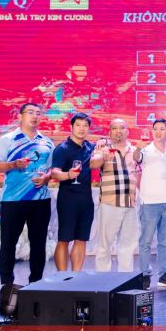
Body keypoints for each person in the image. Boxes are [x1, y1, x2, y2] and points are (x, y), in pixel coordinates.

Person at [0, 103, 54, 289]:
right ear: (20, 116)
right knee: (8, 244)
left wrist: (47, 177)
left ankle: (36, 284)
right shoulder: (8, 139)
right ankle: (7, 286)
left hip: (40, 200)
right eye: (30, 113)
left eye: (38, 113)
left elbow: (52, 168)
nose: (34, 116)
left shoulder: (47, 142)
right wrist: (13, 165)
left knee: (38, 244)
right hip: (13, 200)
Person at [51, 112, 101, 272]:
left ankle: (75, 276)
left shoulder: (90, 148)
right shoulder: (62, 149)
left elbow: (101, 154)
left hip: (86, 199)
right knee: (64, 239)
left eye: (85, 126)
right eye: (78, 125)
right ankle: (62, 277)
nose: (81, 129)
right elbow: (54, 173)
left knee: (81, 239)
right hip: (68, 199)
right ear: (71, 127)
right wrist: (68, 175)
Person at [134, 119, 166, 289]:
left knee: (165, 242)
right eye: (155, 129)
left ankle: (164, 275)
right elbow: (137, 158)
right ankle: (144, 275)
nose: (158, 132)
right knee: (146, 241)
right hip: (150, 202)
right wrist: (137, 148)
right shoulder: (146, 150)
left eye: (162, 129)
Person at [90, 119, 139, 272]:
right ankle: (103, 280)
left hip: (129, 204)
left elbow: (138, 173)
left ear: (127, 131)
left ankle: (125, 279)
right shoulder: (104, 149)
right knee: (105, 246)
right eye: (115, 128)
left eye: (122, 128)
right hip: (110, 203)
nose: (118, 131)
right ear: (110, 132)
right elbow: (93, 164)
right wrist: (103, 156)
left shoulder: (134, 150)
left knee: (127, 246)